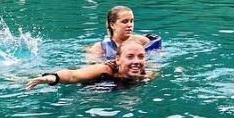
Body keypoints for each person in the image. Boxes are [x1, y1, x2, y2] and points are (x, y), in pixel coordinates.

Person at [26, 38, 155, 89]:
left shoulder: (147, 75)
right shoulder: (105, 69)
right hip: (89, 85)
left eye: (141, 57)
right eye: (130, 57)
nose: (136, 61)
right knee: (27, 79)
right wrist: (53, 77)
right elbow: (73, 76)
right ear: (117, 59)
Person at [86, 5, 151, 61]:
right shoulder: (100, 48)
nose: (130, 25)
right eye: (125, 22)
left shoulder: (143, 41)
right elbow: (90, 69)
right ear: (112, 25)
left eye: (131, 21)